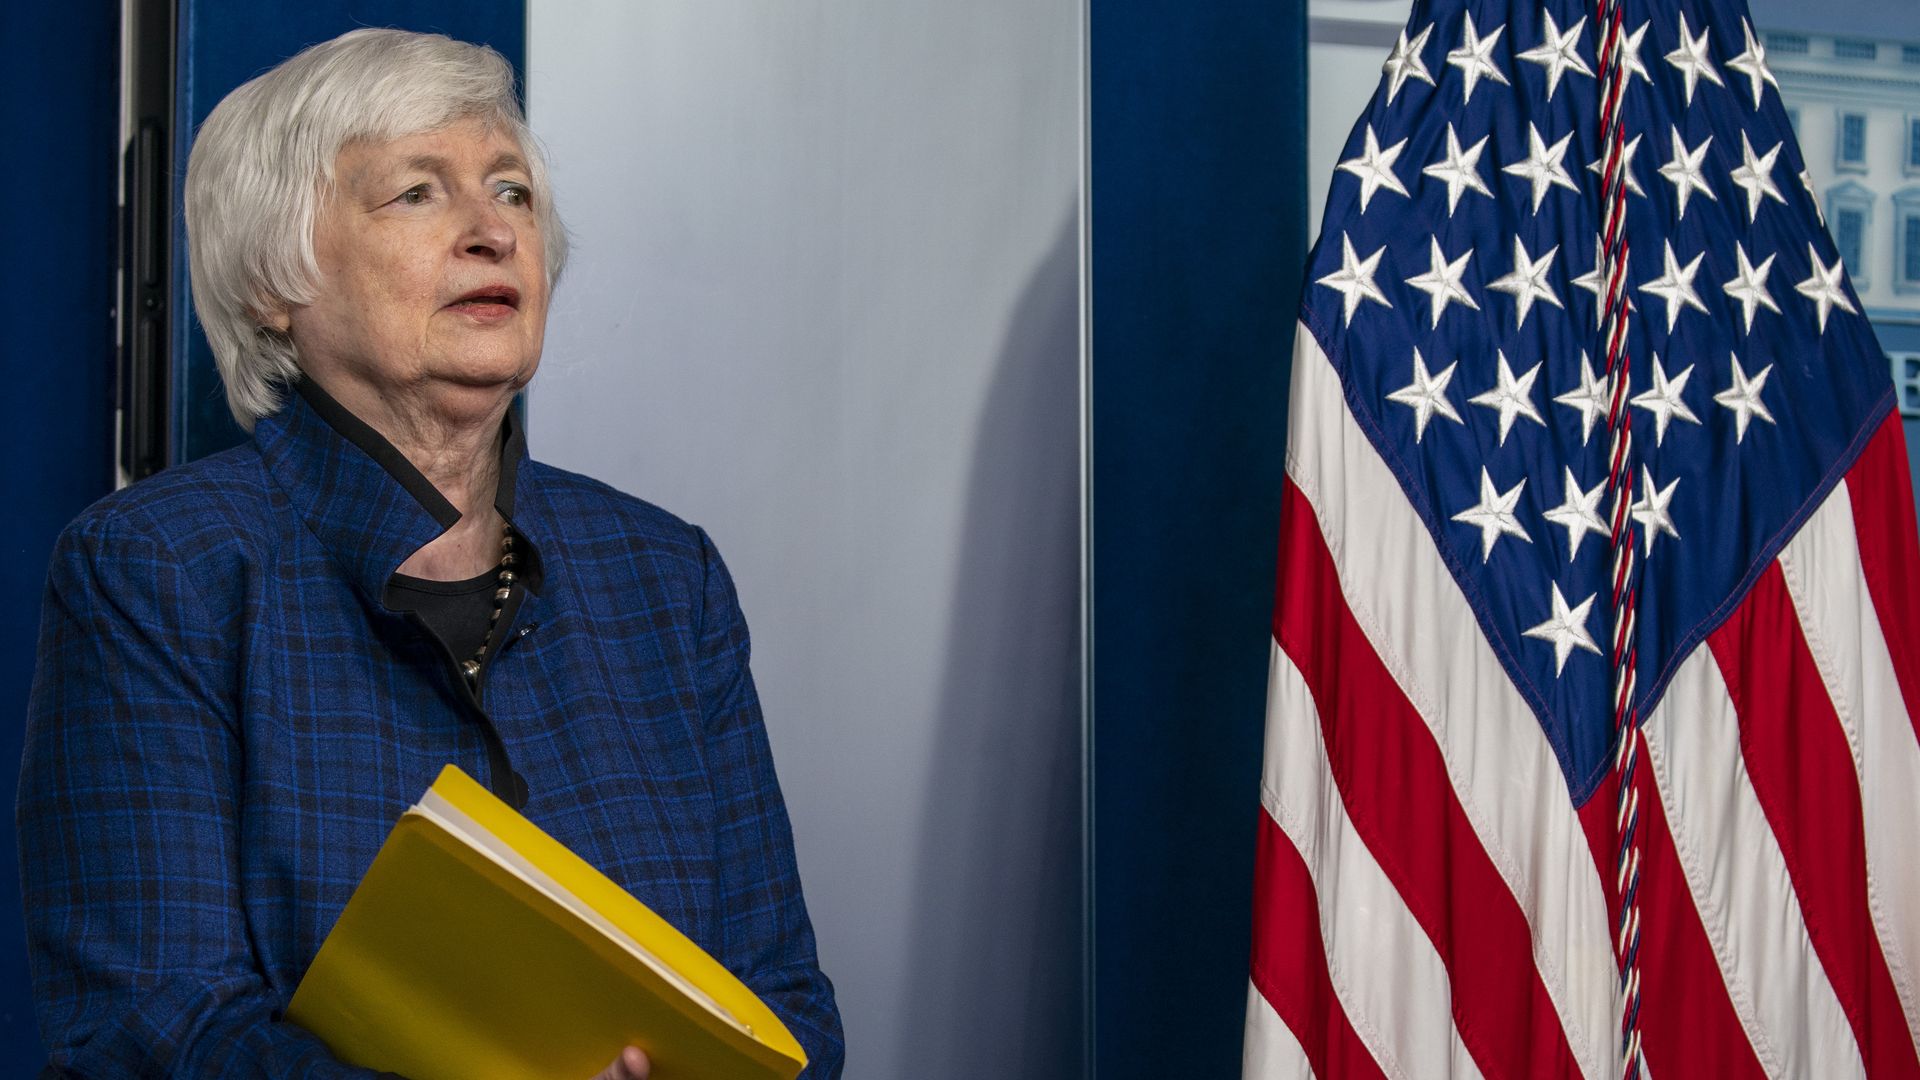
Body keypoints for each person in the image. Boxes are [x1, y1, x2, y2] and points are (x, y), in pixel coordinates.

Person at [18, 28, 843, 1079]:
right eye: (418, 193)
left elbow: (788, 1006)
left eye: (512, 193)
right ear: (277, 278)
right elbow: (151, 1033)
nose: (491, 231)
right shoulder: (157, 569)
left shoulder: (665, 575)